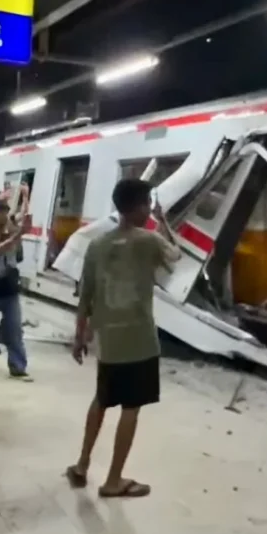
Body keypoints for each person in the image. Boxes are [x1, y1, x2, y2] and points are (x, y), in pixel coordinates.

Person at [67, 178, 179, 498]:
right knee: (131, 407)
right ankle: (113, 480)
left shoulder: (97, 245)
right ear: (142, 206)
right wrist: (165, 222)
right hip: (140, 339)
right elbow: (176, 256)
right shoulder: (149, 240)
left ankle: (82, 465)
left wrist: (79, 337)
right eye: (147, 205)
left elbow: (85, 295)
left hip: (109, 340)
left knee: (101, 400)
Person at [0, 198, 31, 379]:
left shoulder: (12, 231)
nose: (3, 215)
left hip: (10, 290)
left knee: (15, 330)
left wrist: (16, 237)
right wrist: (19, 235)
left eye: (5, 211)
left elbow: (17, 257)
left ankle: (18, 365)